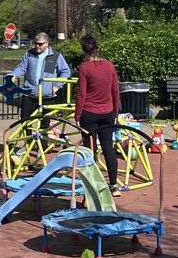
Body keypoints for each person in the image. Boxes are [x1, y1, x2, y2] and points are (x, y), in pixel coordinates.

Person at [73, 34, 122, 195]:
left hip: (89, 113)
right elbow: (115, 91)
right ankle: (114, 185)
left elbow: (81, 94)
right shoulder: (110, 66)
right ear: (98, 49)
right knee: (108, 147)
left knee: (90, 149)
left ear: (84, 51)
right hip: (107, 112)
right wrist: (115, 112)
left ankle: (93, 184)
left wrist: (77, 114)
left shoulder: (84, 68)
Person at [7, 31, 72, 127]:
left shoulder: (56, 56)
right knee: (25, 122)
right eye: (35, 43)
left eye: (40, 44)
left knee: (44, 124)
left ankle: (43, 142)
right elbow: (21, 68)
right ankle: (28, 141)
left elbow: (66, 72)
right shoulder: (29, 54)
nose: (37, 46)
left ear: (47, 43)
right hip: (29, 94)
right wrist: (13, 75)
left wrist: (57, 85)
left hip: (47, 96)